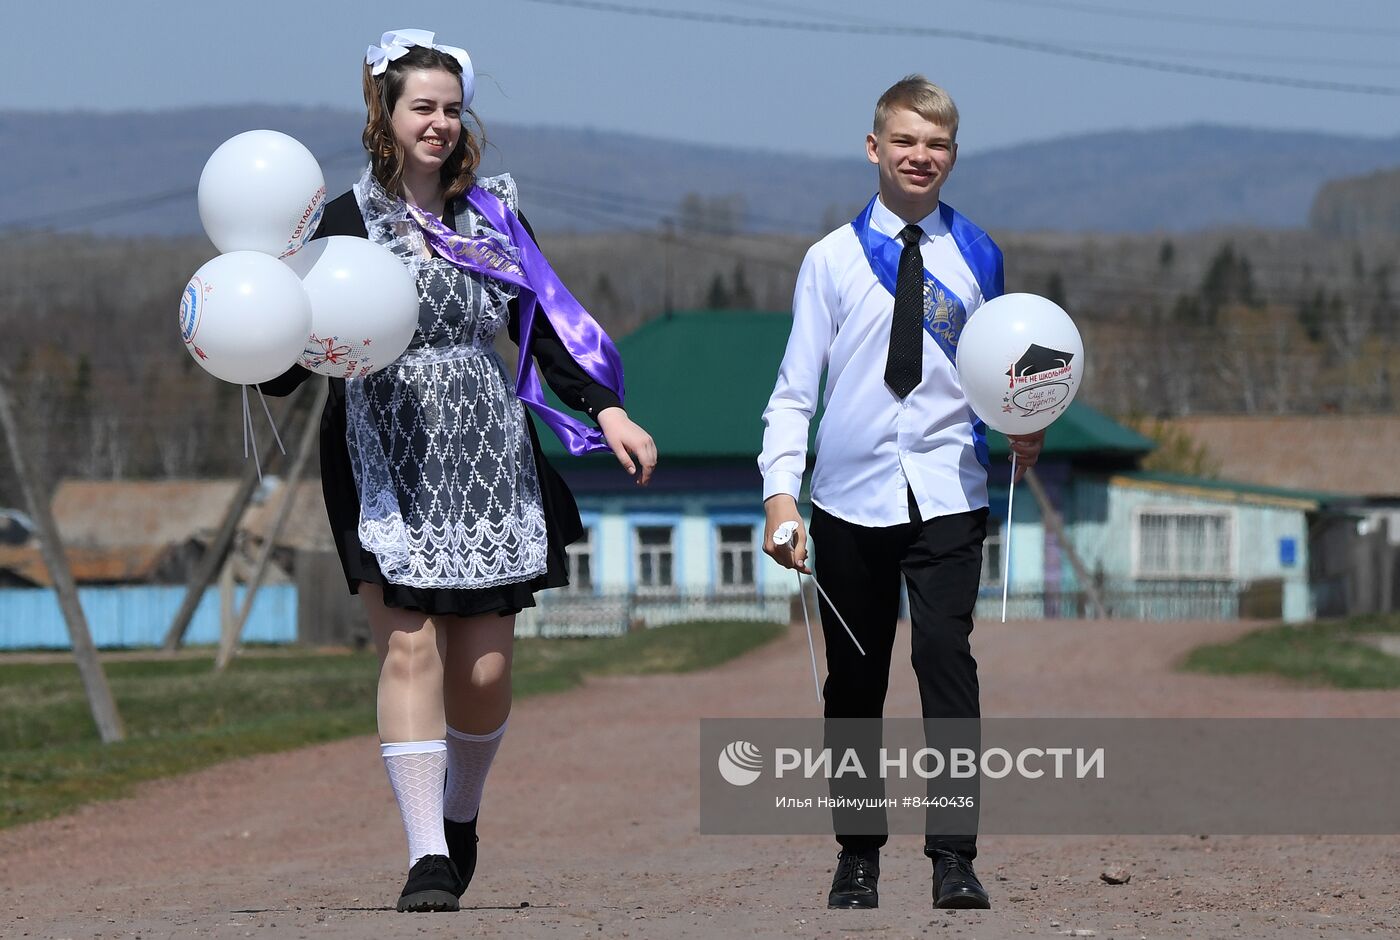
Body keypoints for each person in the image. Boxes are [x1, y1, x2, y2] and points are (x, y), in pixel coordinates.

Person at [261, 29, 657, 913]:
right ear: (385, 115)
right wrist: (256, 321)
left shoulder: (493, 213)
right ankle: (426, 855)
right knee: (407, 652)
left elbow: (544, 320)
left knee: (481, 673)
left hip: (486, 449)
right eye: (420, 108)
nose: (437, 124)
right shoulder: (344, 222)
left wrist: (606, 409)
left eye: (449, 108)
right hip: (381, 451)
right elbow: (289, 352)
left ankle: (462, 812)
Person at [758, 75, 1043, 911]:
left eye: (939, 145)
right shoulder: (831, 261)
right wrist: (782, 497)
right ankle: (858, 853)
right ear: (875, 148)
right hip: (850, 498)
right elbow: (792, 392)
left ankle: (954, 855)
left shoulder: (979, 254)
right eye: (908, 141)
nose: (923, 157)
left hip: (950, 490)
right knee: (854, 678)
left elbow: (1000, 370)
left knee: (945, 661)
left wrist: (1028, 421)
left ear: (954, 156)